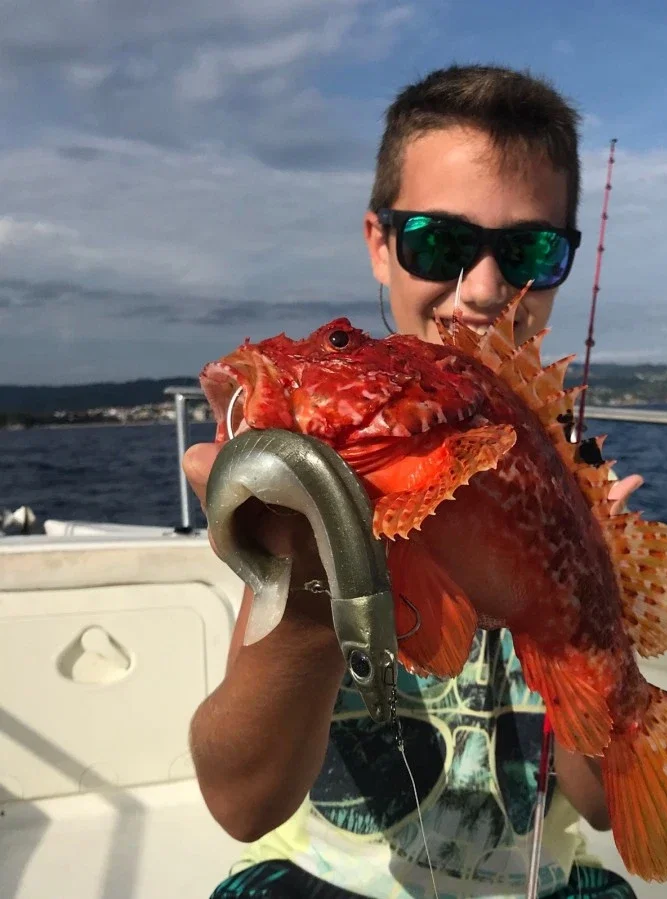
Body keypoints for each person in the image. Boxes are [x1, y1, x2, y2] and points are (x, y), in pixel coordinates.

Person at [184, 64, 642, 899]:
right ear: (378, 242)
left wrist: (592, 616)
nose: (483, 289)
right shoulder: (326, 476)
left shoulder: (574, 483)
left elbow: (610, 806)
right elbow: (241, 802)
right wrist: (322, 564)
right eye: (438, 242)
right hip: (325, 873)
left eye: (530, 251)